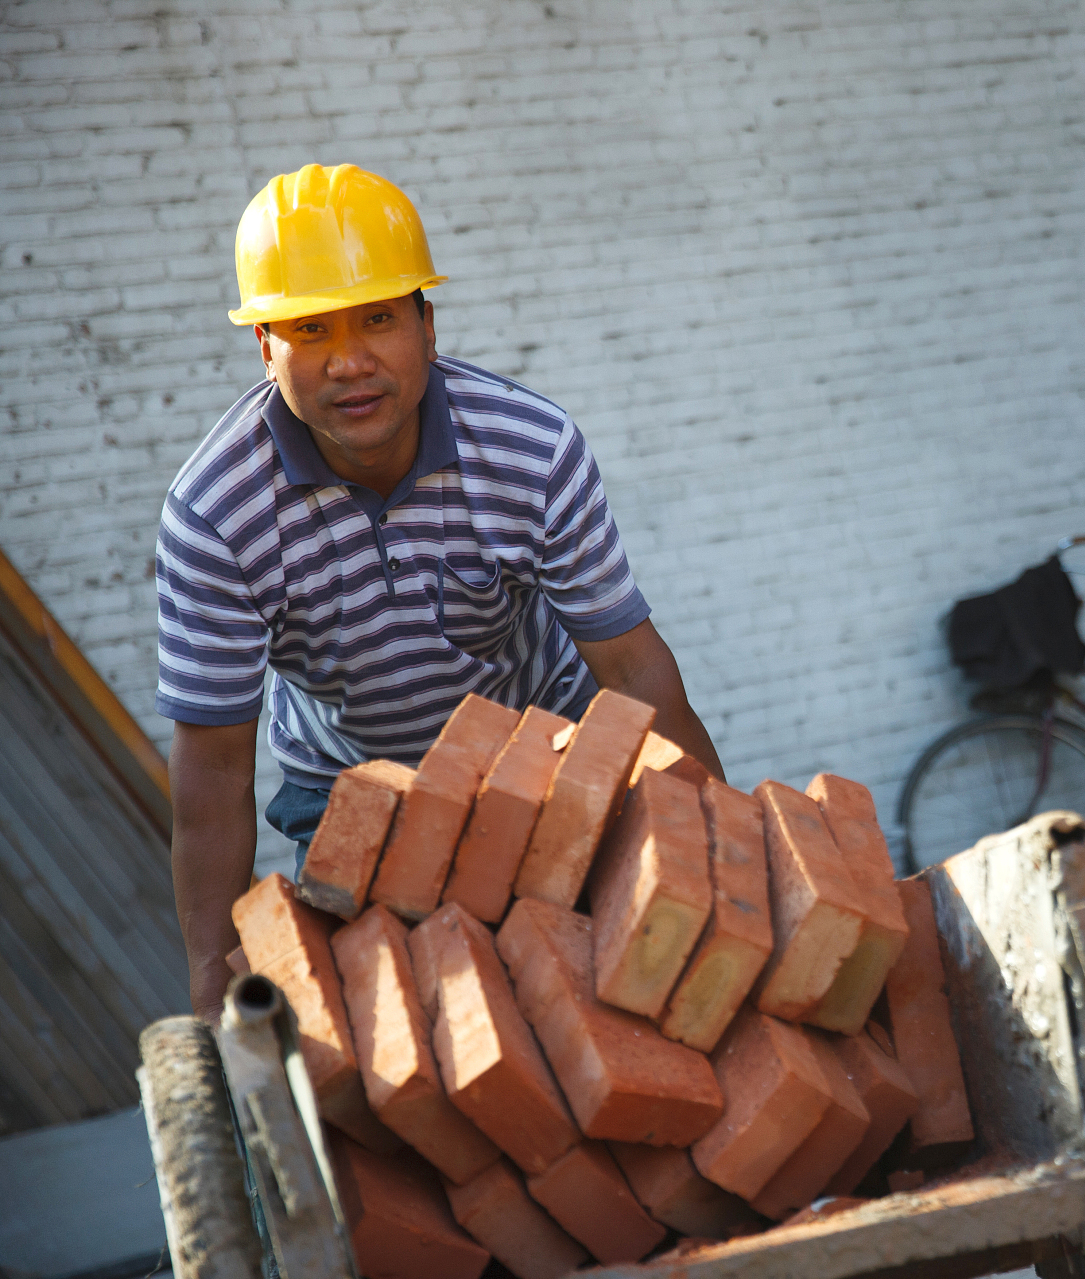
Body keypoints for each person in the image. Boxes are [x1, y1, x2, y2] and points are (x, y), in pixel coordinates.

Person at [156, 163, 725, 1025]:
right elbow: (215, 767)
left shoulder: (531, 449)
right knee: (405, 1045)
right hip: (351, 785)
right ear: (265, 347)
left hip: (543, 755)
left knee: (610, 1002)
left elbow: (634, 667)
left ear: (427, 322)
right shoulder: (216, 514)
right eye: (310, 329)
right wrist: (210, 981)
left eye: (379, 317)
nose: (350, 361)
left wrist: (721, 845)